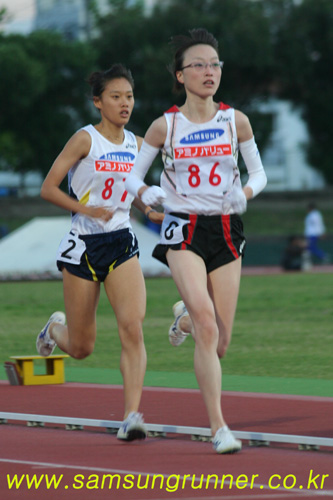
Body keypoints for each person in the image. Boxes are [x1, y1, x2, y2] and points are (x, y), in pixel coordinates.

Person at [125, 28, 267, 454]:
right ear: (180, 75)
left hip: (225, 227)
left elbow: (258, 173)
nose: (209, 71)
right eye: (199, 65)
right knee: (208, 326)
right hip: (182, 228)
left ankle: (183, 318)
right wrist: (145, 192)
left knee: (219, 341)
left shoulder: (234, 120)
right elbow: (134, 174)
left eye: (215, 64)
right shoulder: (164, 125)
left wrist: (243, 195)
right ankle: (219, 428)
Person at [36, 64, 163, 442]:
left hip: (121, 241)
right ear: (98, 102)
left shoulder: (138, 145)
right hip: (84, 246)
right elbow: (48, 188)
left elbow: (137, 193)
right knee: (81, 347)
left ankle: (132, 416)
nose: (125, 104)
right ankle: (51, 331)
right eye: (116, 97)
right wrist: (85, 209)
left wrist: (151, 209)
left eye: (130, 97)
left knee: (132, 327)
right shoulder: (84, 140)